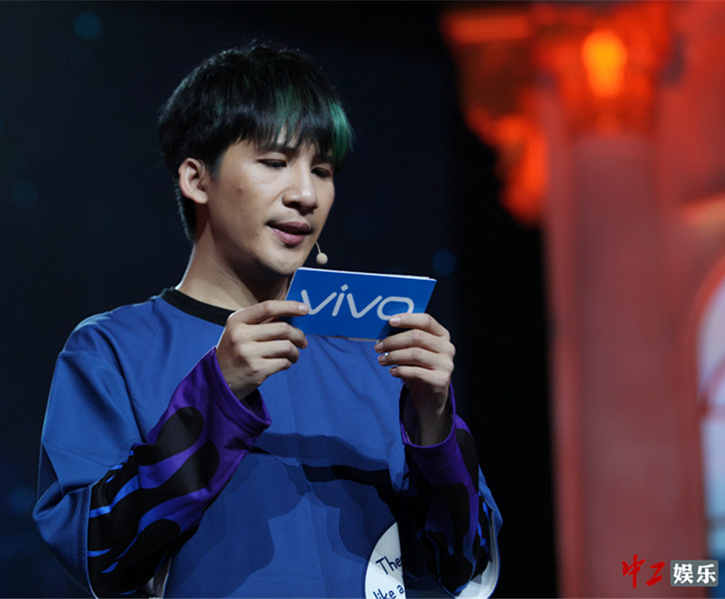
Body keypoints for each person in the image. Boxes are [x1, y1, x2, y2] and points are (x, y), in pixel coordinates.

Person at [33, 43, 501, 598]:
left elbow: (464, 569)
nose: (305, 194)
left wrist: (434, 423)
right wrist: (219, 392)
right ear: (196, 179)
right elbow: (97, 555)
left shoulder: (376, 354)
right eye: (275, 163)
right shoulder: (112, 349)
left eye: (322, 170)